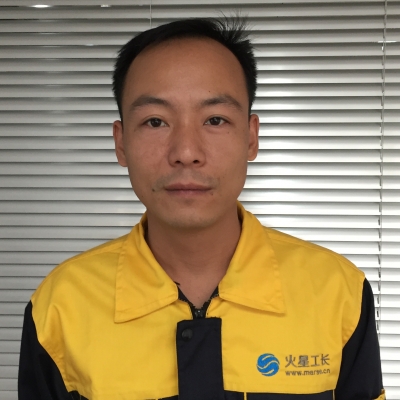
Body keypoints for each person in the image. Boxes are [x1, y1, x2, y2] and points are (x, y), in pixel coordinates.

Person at [18, 17, 385, 400]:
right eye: (155, 121)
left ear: (251, 137)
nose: (186, 152)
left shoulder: (338, 294)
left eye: (215, 119)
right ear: (121, 142)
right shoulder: (60, 308)